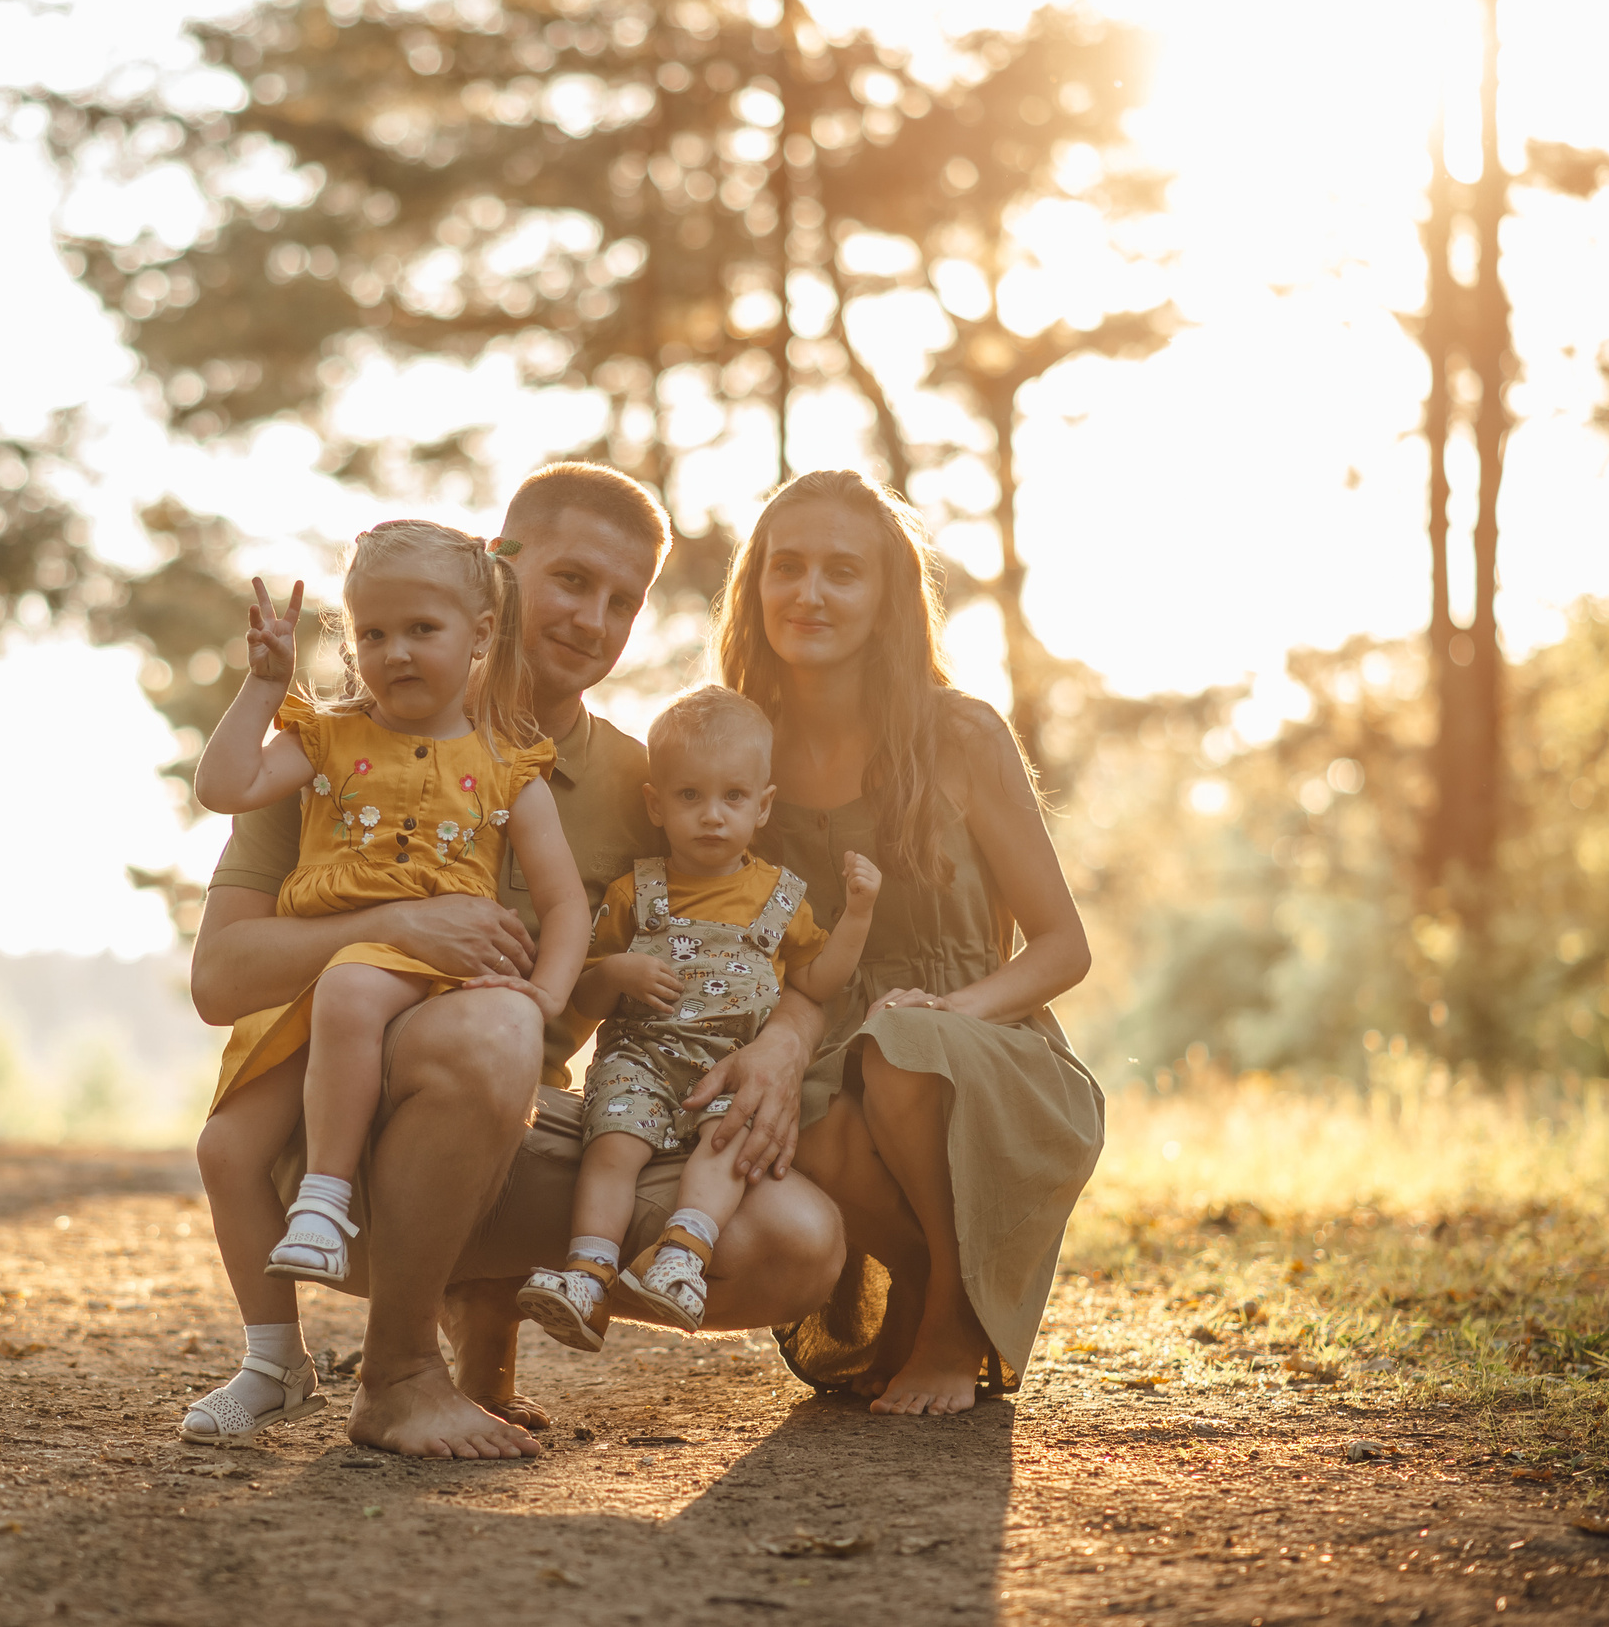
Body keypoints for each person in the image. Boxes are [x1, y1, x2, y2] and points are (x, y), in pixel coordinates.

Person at [189, 463, 845, 1457]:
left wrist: (787, 1039)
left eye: (623, 601)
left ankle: (477, 1291)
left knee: (795, 1236)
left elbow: (752, 926)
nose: (594, 619)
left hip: (516, 1139)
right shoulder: (343, 736)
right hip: (327, 1166)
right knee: (494, 1023)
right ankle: (398, 1372)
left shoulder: (642, 783)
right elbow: (220, 976)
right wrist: (402, 928)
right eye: (573, 580)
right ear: (498, 569)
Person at [182, 522, 590, 1444]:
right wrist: (261, 687)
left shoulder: (505, 764)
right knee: (224, 1153)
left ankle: (326, 1194)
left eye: (421, 630)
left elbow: (565, 906)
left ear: (481, 631)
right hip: (323, 985)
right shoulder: (325, 740)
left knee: (357, 990)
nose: (394, 652)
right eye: (371, 635)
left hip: (426, 987)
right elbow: (225, 783)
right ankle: (273, 1361)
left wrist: (546, 996)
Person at [710, 470, 1106, 1416]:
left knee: (900, 1046)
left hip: (983, 1045)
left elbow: (1064, 946)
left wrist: (947, 1008)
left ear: (888, 597)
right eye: (787, 567)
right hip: (823, 1041)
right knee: (779, 1111)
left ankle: (952, 1329)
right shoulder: (739, 747)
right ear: (754, 586)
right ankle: (942, 1282)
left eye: (842, 571)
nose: (809, 593)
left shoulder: (960, 732)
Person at [518, 685, 880, 1349]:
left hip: (728, 1070)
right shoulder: (637, 889)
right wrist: (616, 972)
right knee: (611, 1150)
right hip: (642, 1060)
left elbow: (819, 979)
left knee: (727, 1149)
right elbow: (580, 988)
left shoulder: (779, 897)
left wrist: (856, 915)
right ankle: (588, 1271)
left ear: (761, 805)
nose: (711, 816)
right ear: (656, 803)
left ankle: (683, 1252)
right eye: (690, 797)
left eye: (732, 798)